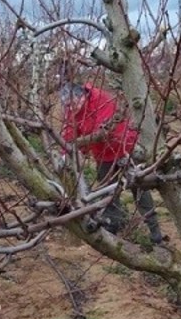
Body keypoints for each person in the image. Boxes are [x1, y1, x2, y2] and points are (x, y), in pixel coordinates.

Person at [61, 81, 164, 244]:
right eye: (68, 106)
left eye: (74, 104)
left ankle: (155, 231)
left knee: (139, 187)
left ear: (82, 96)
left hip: (125, 147)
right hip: (102, 155)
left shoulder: (101, 98)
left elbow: (105, 133)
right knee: (109, 192)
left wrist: (82, 143)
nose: (72, 109)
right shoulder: (71, 109)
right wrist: (65, 151)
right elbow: (68, 133)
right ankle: (114, 224)